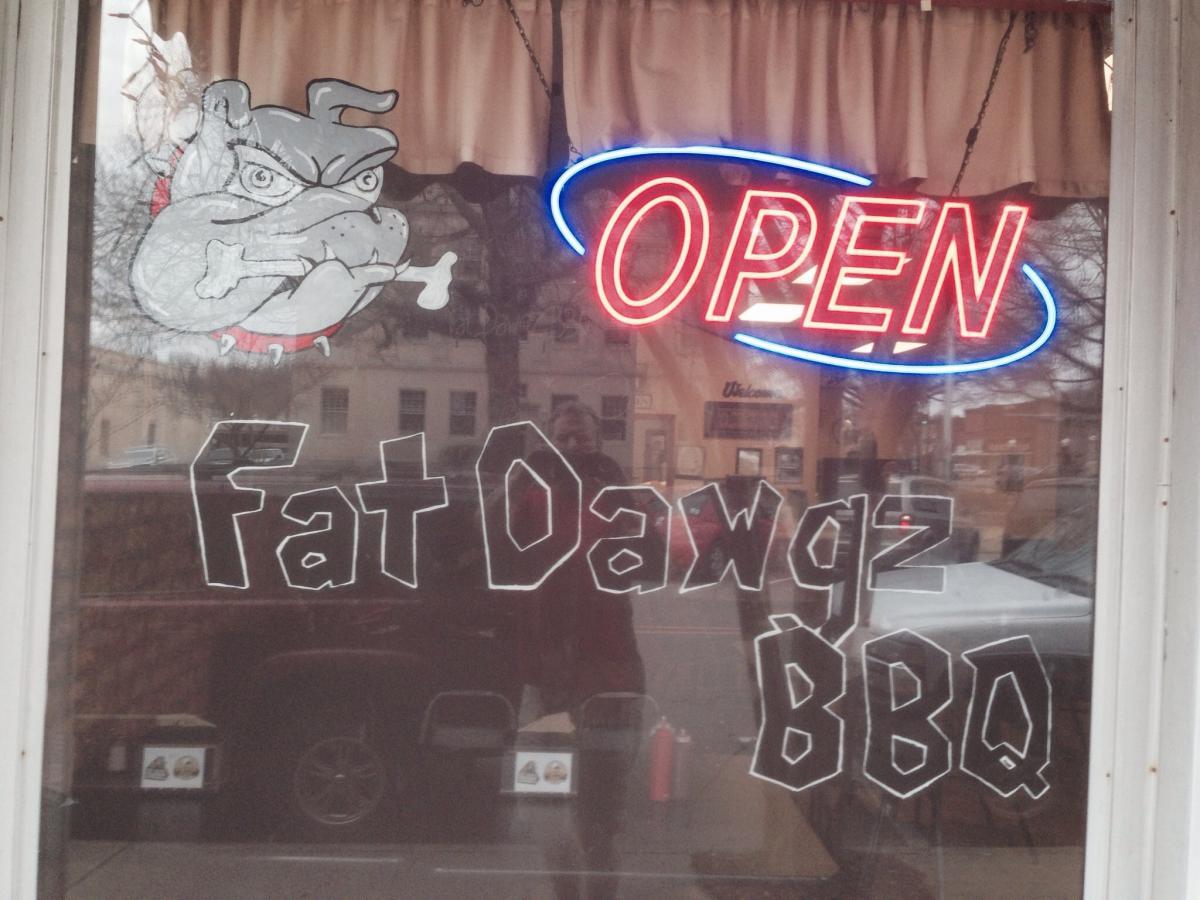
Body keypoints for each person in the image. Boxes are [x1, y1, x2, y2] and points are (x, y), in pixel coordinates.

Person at [512, 401, 646, 900]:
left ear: (598, 442)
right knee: (543, 809)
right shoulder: (531, 493)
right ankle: (568, 892)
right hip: (547, 683)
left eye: (581, 438)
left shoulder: (614, 494)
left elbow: (644, 550)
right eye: (562, 439)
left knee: (602, 818)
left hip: (609, 678)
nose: (572, 448)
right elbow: (498, 544)